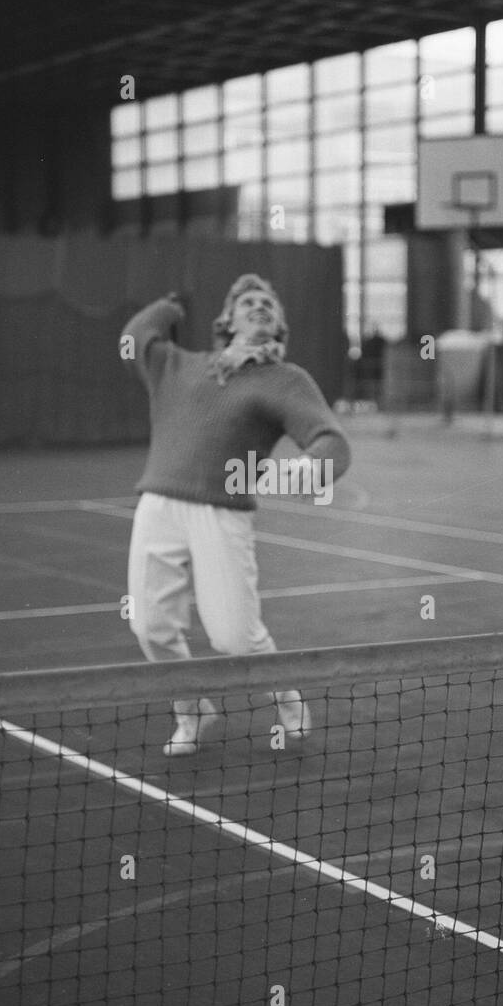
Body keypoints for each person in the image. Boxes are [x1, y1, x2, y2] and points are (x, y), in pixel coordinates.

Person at [121, 273, 351, 755]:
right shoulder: (177, 366)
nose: (260, 306)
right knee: (151, 627)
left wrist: (307, 471)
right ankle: (192, 712)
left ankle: (287, 700)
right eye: (248, 301)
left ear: (280, 324)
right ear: (227, 320)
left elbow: (332, 442)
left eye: (269, 302)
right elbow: (134, 338)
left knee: (235, 641)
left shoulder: (287, 380)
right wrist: (170, 304)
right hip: (158, 506)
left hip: (223, 517)